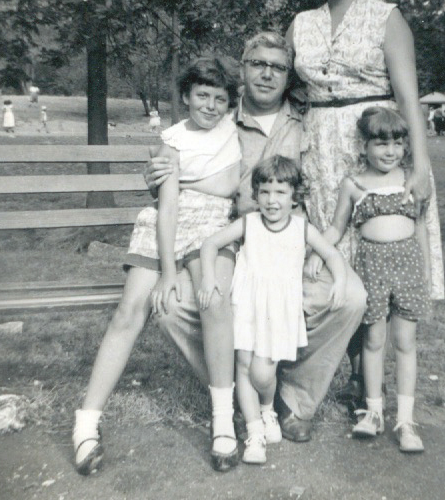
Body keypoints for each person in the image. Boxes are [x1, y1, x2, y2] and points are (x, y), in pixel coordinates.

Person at [145, 31, 366, 444]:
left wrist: (325, 245)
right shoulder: (220, 117)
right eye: (258, 64)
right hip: (234, 240)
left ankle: (292, 399)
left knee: (350, 297)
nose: (267, 74)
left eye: (278, 67)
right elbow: (178, 167)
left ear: (289, 75)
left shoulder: (308, 121)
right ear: (243, 69)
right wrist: (154, 178)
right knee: (172, 307)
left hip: (293, 241)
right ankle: (232, 389)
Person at [286, 0, 444, 402]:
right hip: (319, 152)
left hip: (374, 148)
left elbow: (408, 97)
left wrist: (417, 166)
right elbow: (283, 86)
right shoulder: (301, 23)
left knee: (375, 255)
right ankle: (335, 367)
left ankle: (364, 382)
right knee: (332, 253)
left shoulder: (386, 17)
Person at [73, 56, 242, 475]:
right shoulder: (170, 140)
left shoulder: (233, 131)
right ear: (185, 97)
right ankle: (86, 424)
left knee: (214, 300)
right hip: (164, 224)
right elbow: (166, 208)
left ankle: (223, 418)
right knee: (129, 311)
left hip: (211, 223)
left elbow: (227, 186)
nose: (210, 106)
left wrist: (184, 178)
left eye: (220, 99)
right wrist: (167, 272)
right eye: (202, 96)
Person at [200, 155, 347, 464]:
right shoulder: (249, 223)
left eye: (280, 192)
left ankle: (267, 409)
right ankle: (255, 432)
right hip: (247, 303)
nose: (271, 200)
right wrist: (210, 277)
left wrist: (341, 281)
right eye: (264, 192)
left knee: (263, 371)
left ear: (294, 196)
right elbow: (209, 245)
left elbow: (332, 256)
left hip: (277, 311)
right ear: (255, 194)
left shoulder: (301, 228)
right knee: (243, 366)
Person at [306, 107, 431, 452]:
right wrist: (318, 252)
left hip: (407, 268)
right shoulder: (354, 183)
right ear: (364, 146)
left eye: (397, 143)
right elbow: (335, 227)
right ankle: (373, 411)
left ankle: (405, 420)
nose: (389, 151)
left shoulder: (412, 179)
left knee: (405, 342)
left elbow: (421, 229)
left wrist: (427, 276)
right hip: (372, 269)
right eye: (380, 143)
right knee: (373, 341)